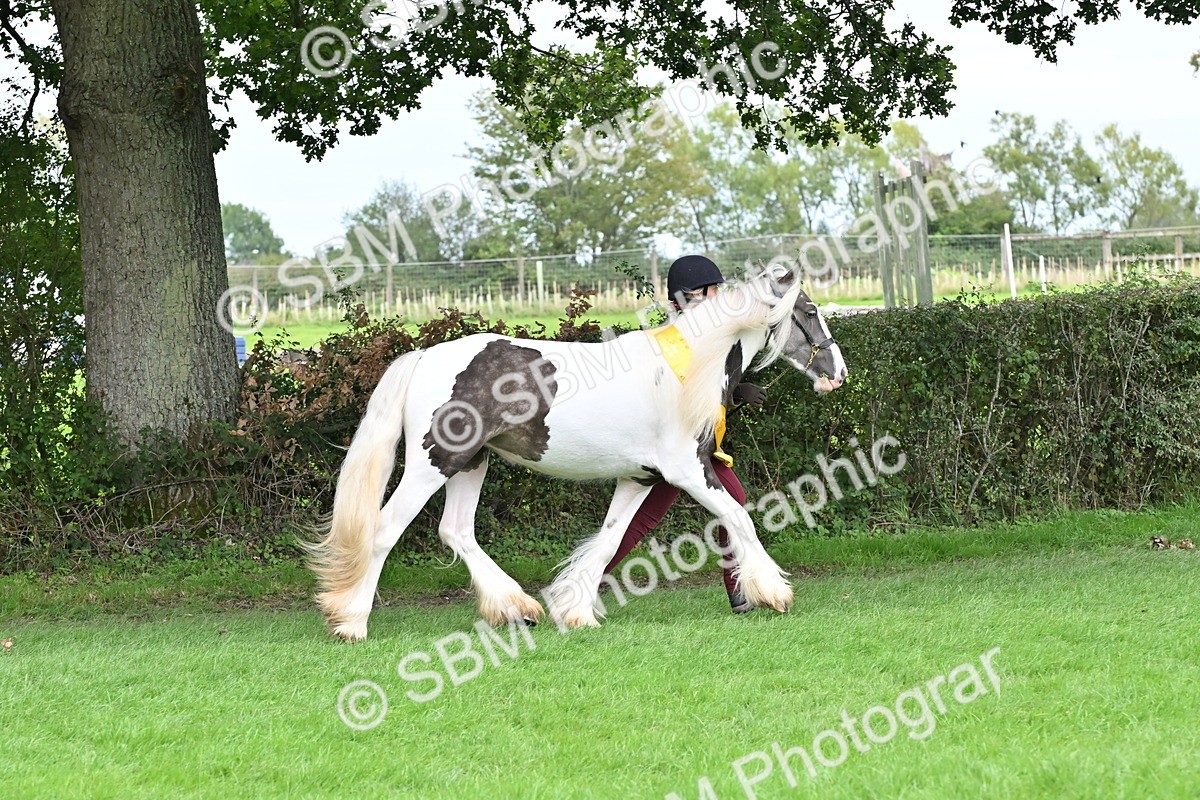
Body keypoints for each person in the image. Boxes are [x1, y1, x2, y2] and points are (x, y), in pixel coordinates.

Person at [602, 255, 766, 613]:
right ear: (692, 295)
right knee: (726, 506)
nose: (719, 298)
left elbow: (703, 394)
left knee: (643, 522)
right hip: (673, 449)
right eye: (713, 291)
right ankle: (589, 580)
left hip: (691, 449)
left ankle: (738, 590)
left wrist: (736, 392)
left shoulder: (704, 337)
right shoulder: (671, 341)